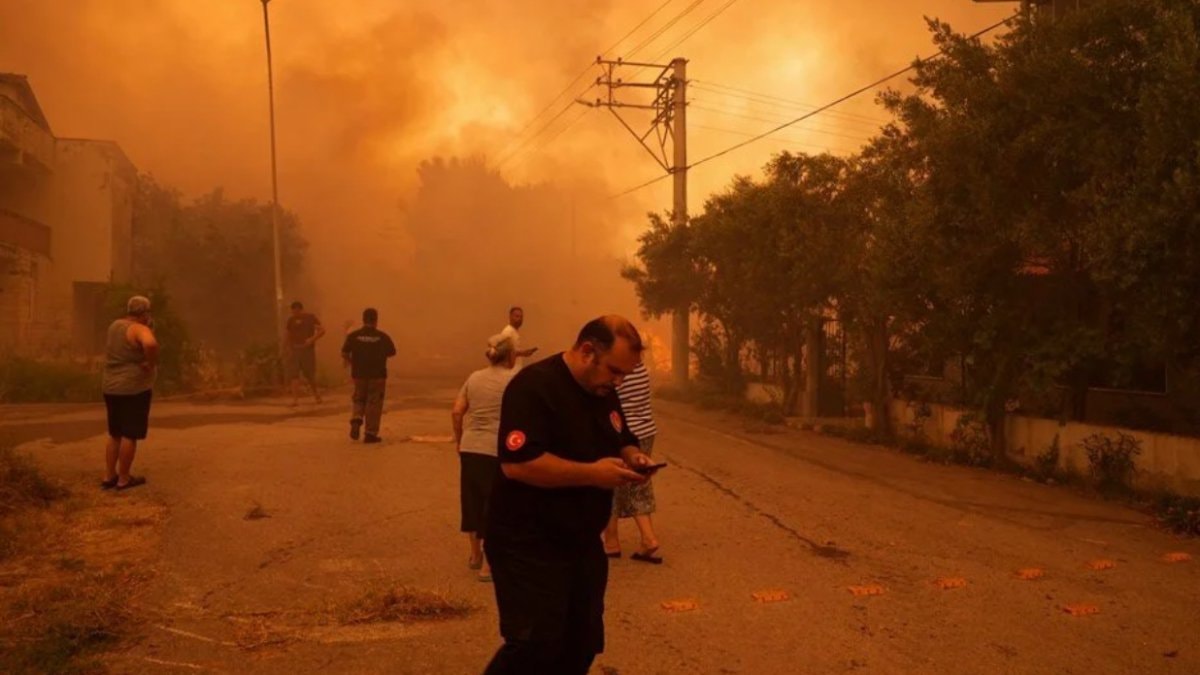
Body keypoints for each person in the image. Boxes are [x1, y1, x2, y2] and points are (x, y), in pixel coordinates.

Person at [483, 315, 659, 674]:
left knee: (582, 643)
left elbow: (622, 437)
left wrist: (633, 457)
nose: (618, 381)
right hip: (527, 541)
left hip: (581, 541)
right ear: (587, 351)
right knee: (534, 644)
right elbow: (518, 464)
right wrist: (593, 474)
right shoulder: (534, 387)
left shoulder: (604, 391)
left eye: (625, 375)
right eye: (615, 371)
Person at [450, 334, 519, 582]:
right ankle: (489, 565)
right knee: (495, 504)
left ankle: (475, 555)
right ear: (509, 356)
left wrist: (460, 440)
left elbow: (457, 412)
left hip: (471, 447)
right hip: (496, 449)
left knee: (473, 500)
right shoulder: (513, 380)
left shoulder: (474, 378)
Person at [603, 360, 663, 563]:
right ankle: (648, 538)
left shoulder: (615, 370)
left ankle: (612, 542)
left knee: (611, 483)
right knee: (639, 483)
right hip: (645, 431)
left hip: (621, 434)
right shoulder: (640, 368)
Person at [101, 295, 159, 491]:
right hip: (133, 389)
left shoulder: (114, 326)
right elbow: (150, 344)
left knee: (115, 434)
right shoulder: (139, 328)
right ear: (145, 313)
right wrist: (150, 363)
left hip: (111, 386)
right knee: (130, 434)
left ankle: (109, 476)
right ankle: (124, 479)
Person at [341, 307, 396, 443]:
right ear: (376, 320)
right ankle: (370, 433)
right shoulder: (383, 337)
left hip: (359, 374)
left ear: (363, 319)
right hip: (377, 375)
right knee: (373, 402)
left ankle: (356, 418)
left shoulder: (353, 336)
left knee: (359, 398)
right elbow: (392, 352)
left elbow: (344, 353)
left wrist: (353, 362)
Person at [285, 300, 325, 406]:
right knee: (294, 375)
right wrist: (287, 347)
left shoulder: (310, 318)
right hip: (295, 349)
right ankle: (295, 400)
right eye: (293, 311)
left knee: (310, 375)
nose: (295, 313)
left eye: (296, 311)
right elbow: (288, 334)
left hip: (307, 350)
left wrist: (312, 339)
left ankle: (316, 395)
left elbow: (322, 330)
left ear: (300, 309)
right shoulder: (291, 320)